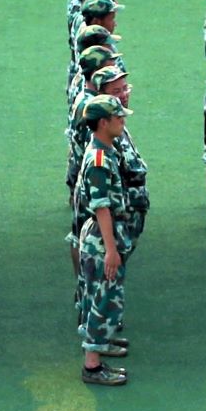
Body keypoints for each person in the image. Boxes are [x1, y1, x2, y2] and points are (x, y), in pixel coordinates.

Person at [74, 95, 135, 385]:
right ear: (102, 123)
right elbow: (101, 208)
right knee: (101, 298)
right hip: (101, 239)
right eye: (117, 116)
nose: (123, 120)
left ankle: (100, 349)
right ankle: (92, 366)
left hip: (104, 236)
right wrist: (111, 249)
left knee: (105, 295)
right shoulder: (99, 159)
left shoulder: (106, 151)